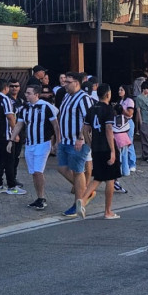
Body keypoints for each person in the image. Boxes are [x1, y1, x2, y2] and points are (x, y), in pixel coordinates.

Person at [10, 85, 60, 210]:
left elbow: (55, 125)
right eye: (26, 93)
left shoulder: (45, 106)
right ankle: (39, 197)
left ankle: (42, 198)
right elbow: (19, 124)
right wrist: (11, 140)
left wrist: (57, 141)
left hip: (42, 143)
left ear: (36, 94)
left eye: (29, 93)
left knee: (38, 171)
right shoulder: (25, 108)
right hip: (29, 144)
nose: (26, 95)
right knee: (33, 172)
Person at [76, 84, 121, 220]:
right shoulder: (108, 109)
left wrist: (90, 143)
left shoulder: (91, 109)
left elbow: (84, 129)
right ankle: (108, 211)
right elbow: (108, 129)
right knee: (110, 178)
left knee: (98, 177)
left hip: (96, 147)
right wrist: (113, 150)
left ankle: (83, 200)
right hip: (106, 147)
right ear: (108, 94)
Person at [57, 72, 94, 218]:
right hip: (65, 140)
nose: (65, 84)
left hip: (77, 141)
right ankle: (86, 191)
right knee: (61, 168)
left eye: (68, 82)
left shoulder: (84, 98)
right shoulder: (67, 96)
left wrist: (80, 137)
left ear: (77, 83)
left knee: (78, 171)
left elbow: (89, 119)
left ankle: (78, 204)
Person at [0, 79, 24, 195]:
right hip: (5, 134)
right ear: (6, 88)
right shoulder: (5, 99)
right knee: (9, 160)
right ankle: (11, 186)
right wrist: (15, 132)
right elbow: (10, 116)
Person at [116, 85, 136, 175]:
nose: (119, 91)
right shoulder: (121, 101)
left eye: (121, 90)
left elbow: (129, 113)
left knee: (129, 143)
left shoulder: (129, 101)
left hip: (128, 122)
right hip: (121, 123)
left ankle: (132, 163)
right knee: (122, 144)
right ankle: (125, 165)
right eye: (119, 89)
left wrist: (121, 109)